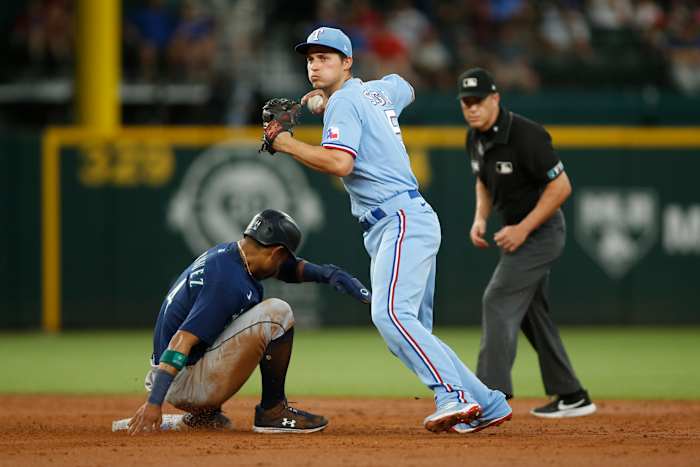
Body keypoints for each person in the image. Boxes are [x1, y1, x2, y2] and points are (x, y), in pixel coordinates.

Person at [260, 27, 511, 434]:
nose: (314, 65)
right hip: (404, 219)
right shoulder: (373, 92)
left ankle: (453, 396)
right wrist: (333, 98)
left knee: (392, 315)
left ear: (347, 62)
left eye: (325, 57)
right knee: (408, 327)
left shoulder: (345, 102)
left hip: (399, 219)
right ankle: (488, 403)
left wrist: (286, 143)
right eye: (310, 58)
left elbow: (340, 163)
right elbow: (403, 86)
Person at [126, 209, 371, 435]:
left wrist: (329, 274)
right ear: (276, 252)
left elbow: (288, 269)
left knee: (239, 320)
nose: (282, 266)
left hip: (175, 373)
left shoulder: (231, 257)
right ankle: (272, 411)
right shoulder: (227, 282)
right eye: (283, 258)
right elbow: (182, 340)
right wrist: (153, 404)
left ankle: (204, 416)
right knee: (277, 313)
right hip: (182, 380)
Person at [458, 67, 596, 418]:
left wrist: (523, 228)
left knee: (498, 297)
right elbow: (483, 182)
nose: (472, 108)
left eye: (478, 101)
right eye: (466, 102)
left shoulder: (526, 135)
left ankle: (489, 396)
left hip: (542, 233)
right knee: (533, 316)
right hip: (517, 233)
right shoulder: (474, 138)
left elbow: (561, 187)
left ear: (495, 99)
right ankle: (572, 394)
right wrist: (480, 218)